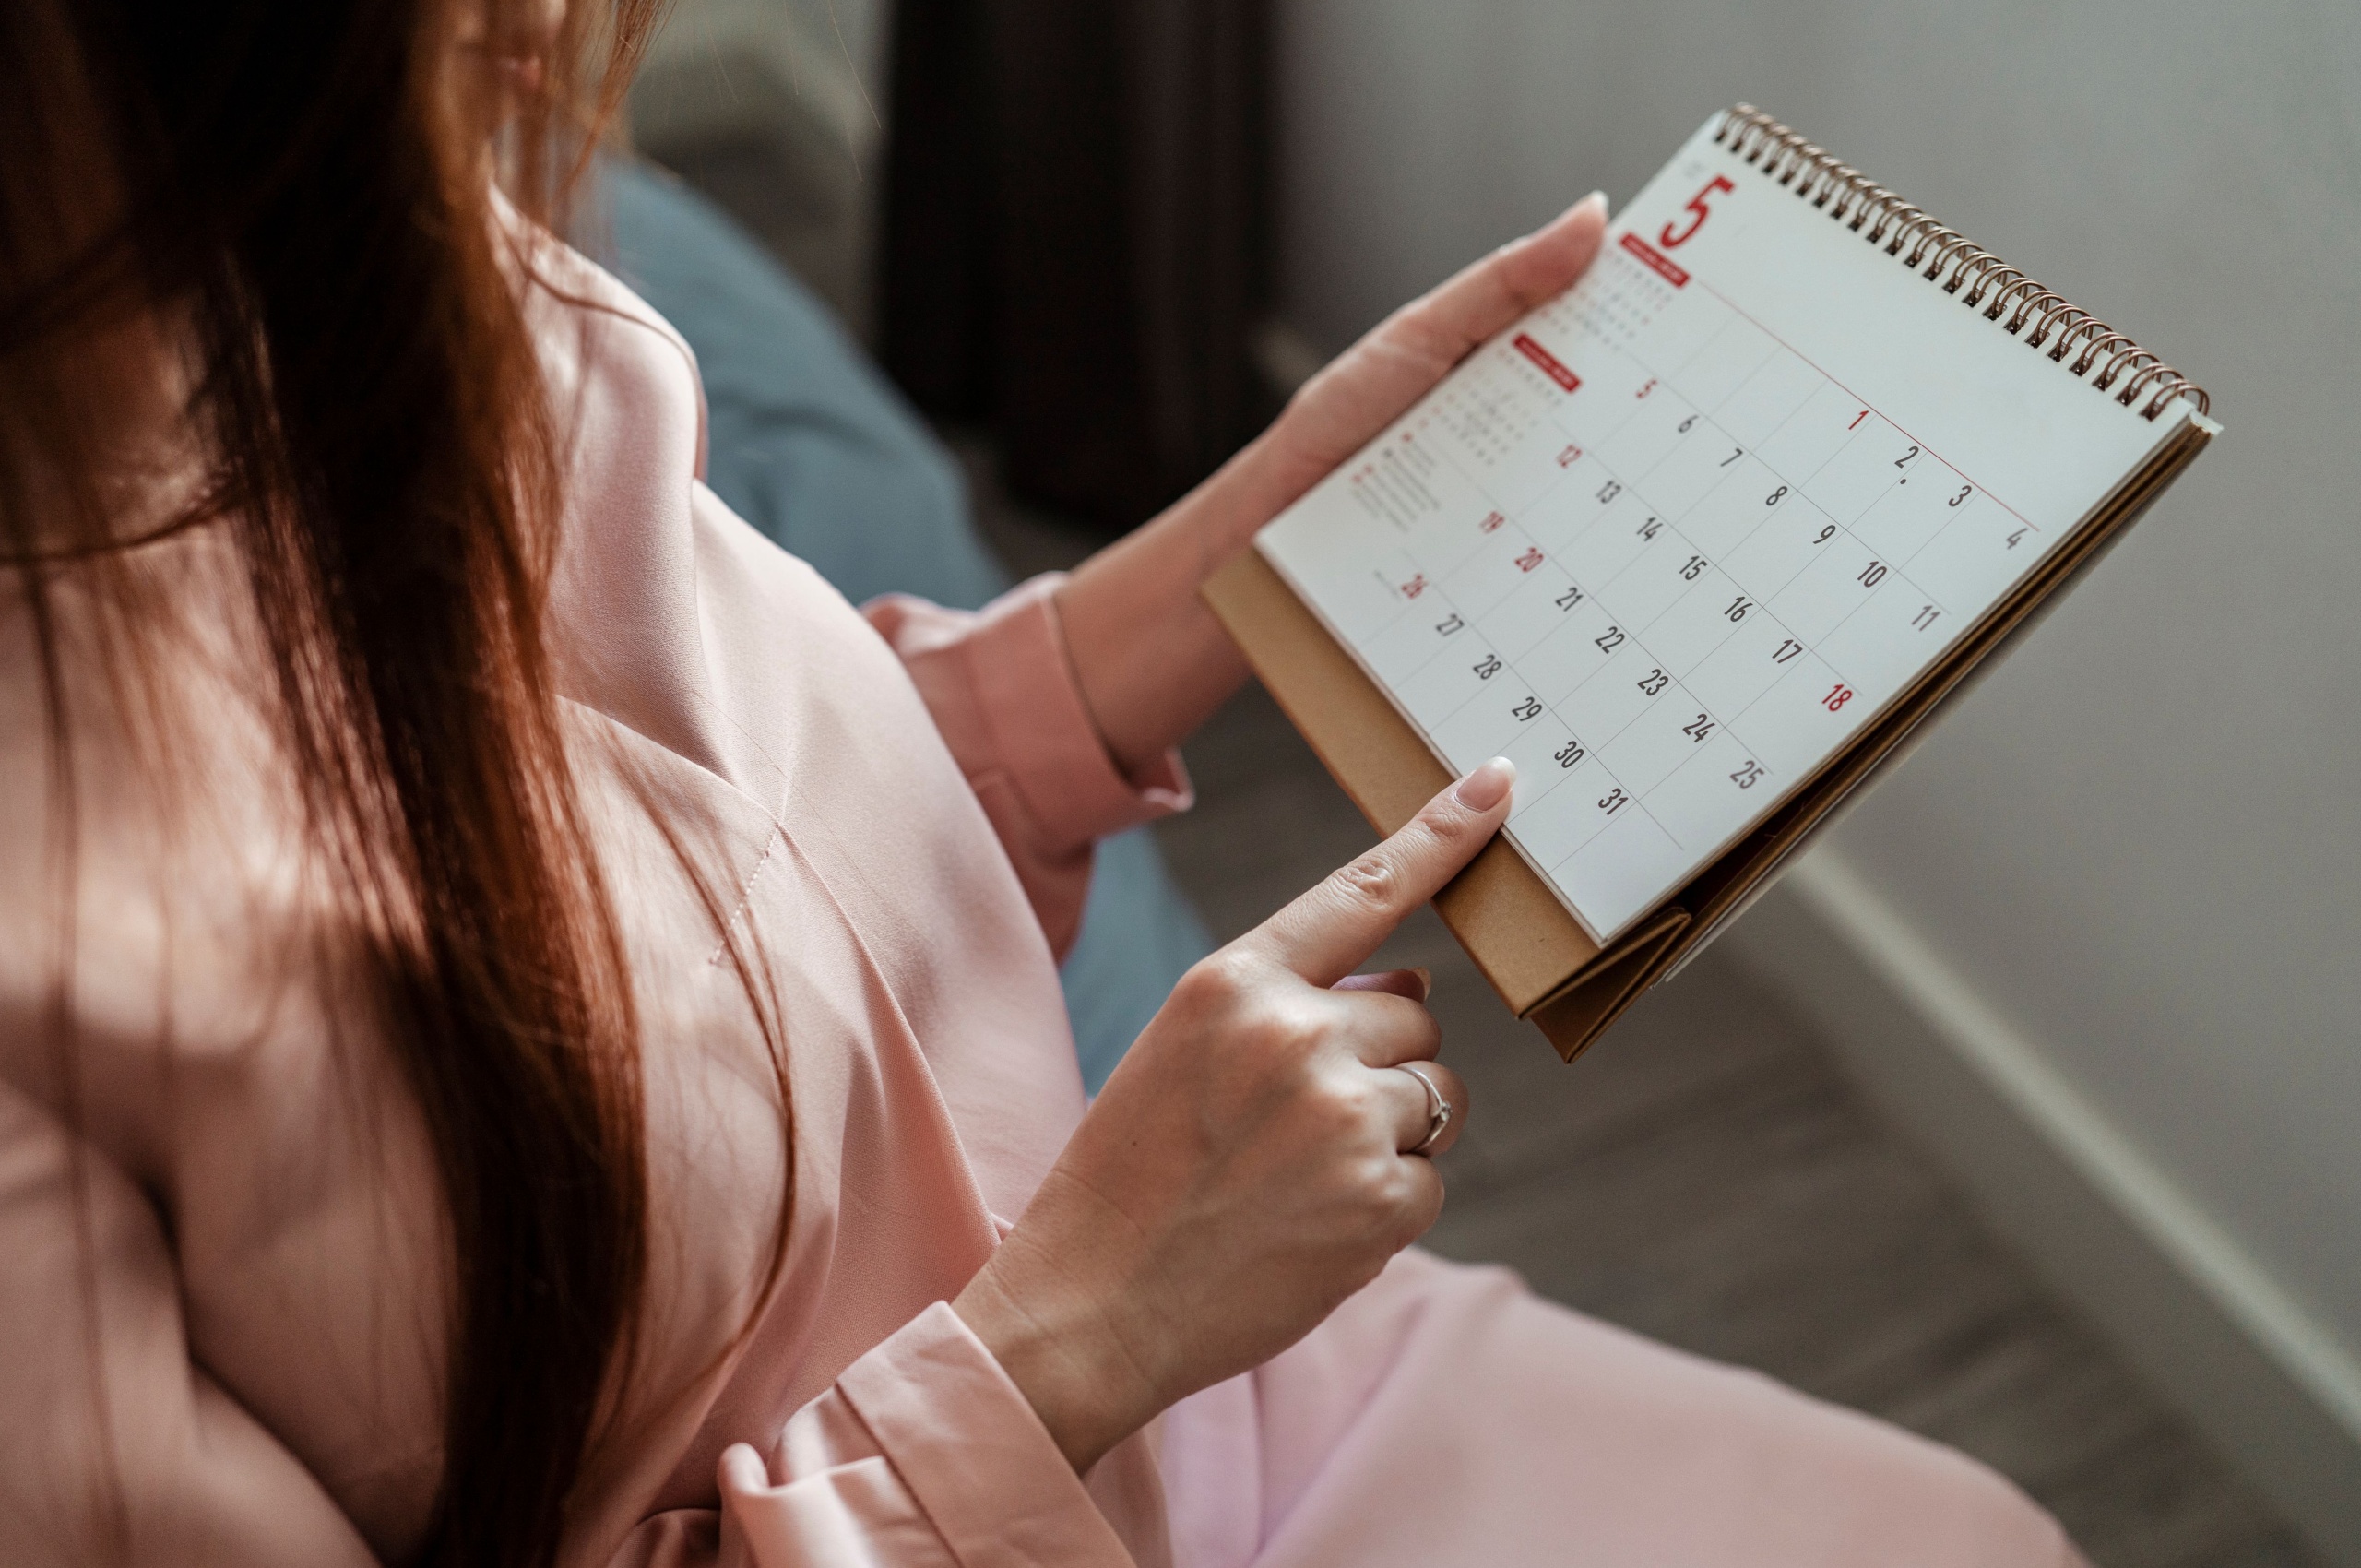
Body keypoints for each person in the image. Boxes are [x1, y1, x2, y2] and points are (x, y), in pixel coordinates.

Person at [0, 3, 2082, 1565]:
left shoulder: (392, 269)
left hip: (1175, 1393)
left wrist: (1235, 569)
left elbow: (714, 839)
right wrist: (1081, 1332)